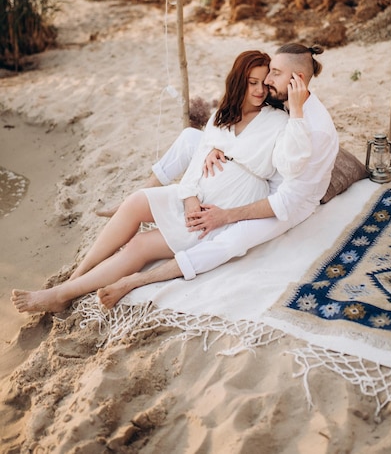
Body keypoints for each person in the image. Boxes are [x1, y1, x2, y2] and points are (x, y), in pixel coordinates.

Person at [12, 50, 293, 314]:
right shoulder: (223, 116)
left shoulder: (277, 121)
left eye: (263, 83)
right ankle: (77, 275)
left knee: (139, 246)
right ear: (237, 83)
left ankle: (62, 296)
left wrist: (223, 150)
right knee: (136, 201)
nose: (258, 90)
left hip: (222, 209)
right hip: (195, 198)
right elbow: (196, 162)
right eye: (251, 82)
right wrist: (190, 195)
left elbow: (272, 163)